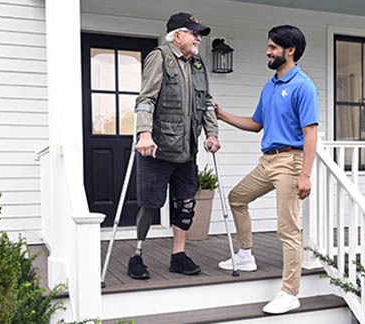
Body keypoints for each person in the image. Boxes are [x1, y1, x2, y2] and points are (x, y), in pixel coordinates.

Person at [214, 25, 318, 314]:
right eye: (269, 47)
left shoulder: (303, 86)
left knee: (287, 229)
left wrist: (305, 174)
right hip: (268, 161)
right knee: (237, 197)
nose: (268, 52)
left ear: (290, 51)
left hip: (290, 162)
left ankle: (290, 292)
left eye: (272, 47)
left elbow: (311, 133)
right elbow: (256, 124)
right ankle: (246, 254)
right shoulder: (270, 85)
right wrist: (222, 116)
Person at [127, 12, 221, 280]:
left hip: (187, 150)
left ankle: (178, 255)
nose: (198, 37)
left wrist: (212, 134)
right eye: (193, 32)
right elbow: (146, 99)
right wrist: (144, 133)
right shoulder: (160, 56)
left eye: (199, 33)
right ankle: (137, 255)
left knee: (185, 205)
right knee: (149, 203)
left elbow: (207, 102)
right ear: (177, 35)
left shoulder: (199, 65)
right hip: (157, 150)